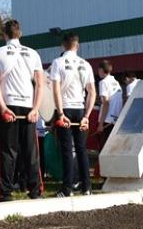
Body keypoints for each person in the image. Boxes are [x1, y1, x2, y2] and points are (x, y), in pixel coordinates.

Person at [0, 19, 45, 202]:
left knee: (7, 151)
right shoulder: (33, 53)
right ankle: (35, 191)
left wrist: (2, 107)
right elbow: (40, 84)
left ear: (5, 35)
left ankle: (5, 192)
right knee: (30, 151)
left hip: (9, 105)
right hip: (28, 107)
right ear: (20, 34)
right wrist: (36, 108)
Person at [48, 33, 96, 197]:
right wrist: (86, 116)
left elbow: (55, 89)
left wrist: (60, 113)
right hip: (80, 110)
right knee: (82, 149)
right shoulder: (86, 64)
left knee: (67, 150)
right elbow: (92, 92)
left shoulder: (58, 62)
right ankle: (87, 187)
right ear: (77, 45)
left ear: (63, 45)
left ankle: (67, 188)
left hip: (66, 109)